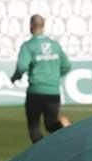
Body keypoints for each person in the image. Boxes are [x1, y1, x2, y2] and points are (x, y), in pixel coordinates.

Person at [10, 15, 72, 143]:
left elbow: (21, 67)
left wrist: (15, 77)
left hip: (36, 92)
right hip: (53, 92)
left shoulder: (29, 46)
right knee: (50, 125)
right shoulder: (55, 45)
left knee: (34, 127)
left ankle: (40, 155)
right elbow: (67, 65)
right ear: (43, 27)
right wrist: (54, 77)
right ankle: (64, 127)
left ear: (31, 26)